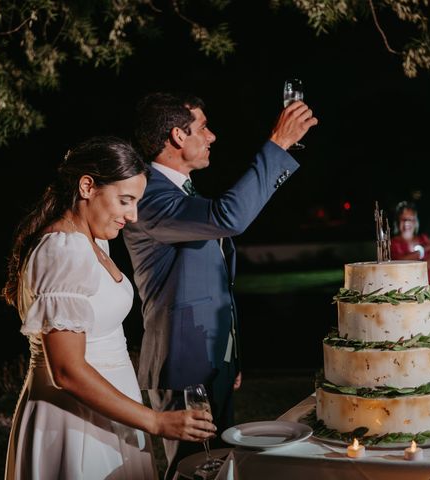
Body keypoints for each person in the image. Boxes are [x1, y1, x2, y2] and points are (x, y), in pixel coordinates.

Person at [123, 92, 317, 478]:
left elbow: (211, 281)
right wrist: (276, 145)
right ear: (178, 136)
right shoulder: (149, 197)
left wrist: (230, 352)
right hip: (182, 365)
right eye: (203, 128)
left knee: (222, 466)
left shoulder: (182, 192)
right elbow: (229, 216)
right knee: (195, 469)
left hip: (212, 358)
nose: (212, 136)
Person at [2, 137, 215, 479]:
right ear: (87, 186)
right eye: (125, 201)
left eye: (136, 203)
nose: (132, 216)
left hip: (112, 411)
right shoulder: (63, 250)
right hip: (75, 422)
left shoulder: (94, 239)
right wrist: (156, 421)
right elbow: (67, 371)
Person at [390, 201, 430, 286]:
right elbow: (398, 264)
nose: (406, 222)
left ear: (415, 222)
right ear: (397, 222)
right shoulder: (393, 243)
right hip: (406, 288)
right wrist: (422, 252)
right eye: (403, 219)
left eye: (410, 219)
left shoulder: (423, 238)